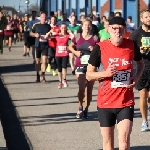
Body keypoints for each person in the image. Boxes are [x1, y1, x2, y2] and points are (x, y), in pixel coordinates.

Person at [86, 17, 144, 150]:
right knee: (108, 145)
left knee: (124, 143)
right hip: (105, 102)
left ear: (125, 30)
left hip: (125, 101)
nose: (117, 31)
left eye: (120, 28)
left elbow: (141, 64)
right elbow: (89, 75)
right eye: (114, 28)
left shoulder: (131, 45)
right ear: (108, 29)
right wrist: (105, 74)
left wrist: (136, 77)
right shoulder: (99, 48)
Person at [69, 18, 99, 118]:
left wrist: (94, 49)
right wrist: (75, 52)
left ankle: (86, 109)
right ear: (82, 26)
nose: (87, 27)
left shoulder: (95, 38)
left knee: (89, 90)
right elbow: (70, 47)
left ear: (91, 27)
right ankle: (80, 107)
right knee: (81, 88)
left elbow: (100, 50)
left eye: (89, 25)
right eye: (85, 25)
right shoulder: (77, 36)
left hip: (91, 65)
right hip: (80, 64)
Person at [129, 9, 150, 131]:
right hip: (142, 67)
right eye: (146, 17)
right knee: (143, 94)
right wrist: (138, 51)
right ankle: (144, 121)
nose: (149, 19)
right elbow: (129, 49)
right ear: (141, 19)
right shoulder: (136, 34)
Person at [46, 23, 72, 89]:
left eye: (65, 28)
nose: (63, 29)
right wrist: (50, 32)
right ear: (60, 28)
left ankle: (64, 80)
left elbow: (74, 38)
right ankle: (60, 82)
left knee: (64, 67)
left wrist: (70, 32)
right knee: (59, 68)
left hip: (65, 54)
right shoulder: (56, 35)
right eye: (62, 28)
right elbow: (46, 37)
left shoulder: (67, 36)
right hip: (58, 54)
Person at [30, 12, 51, 82]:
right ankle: (37, 75)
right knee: (38, 61)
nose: (44, 18)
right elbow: (31, 33)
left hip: (45, 45)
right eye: (42, 17)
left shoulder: (48, 26)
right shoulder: (36, 25)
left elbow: (51, 35)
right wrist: (35, 35)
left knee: (44, 61)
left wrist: (48, 36)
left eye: (45, 17)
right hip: (37, 45)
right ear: (40, 18)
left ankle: (43, 75)